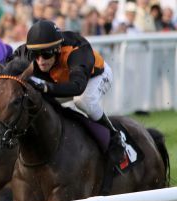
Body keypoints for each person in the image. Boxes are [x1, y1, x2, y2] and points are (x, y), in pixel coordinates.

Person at [13, 20, 131, 173]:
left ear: (57, 49)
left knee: (83, 101)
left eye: (47, 54)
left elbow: (77, 88)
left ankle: (115, 136)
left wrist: (45, 87)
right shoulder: (30, 49)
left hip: (93, 77)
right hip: (61, 82)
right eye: (36, 55)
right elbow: (8, 64)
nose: (41, 60)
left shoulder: (77, 50)